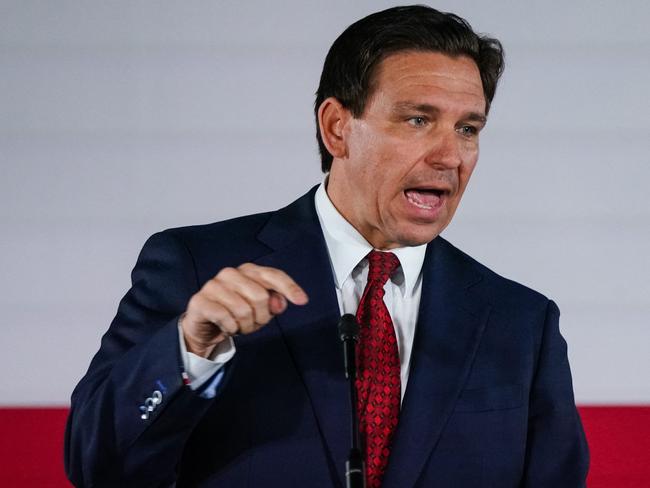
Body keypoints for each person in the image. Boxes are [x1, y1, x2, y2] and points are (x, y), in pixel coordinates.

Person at [65, 5, 589, 487]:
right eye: (418, 120)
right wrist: (189, 350)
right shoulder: (196, 268)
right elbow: (98, 466)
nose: (451, 155)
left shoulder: (521, 323)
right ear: (337, 128)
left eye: (468, 128)